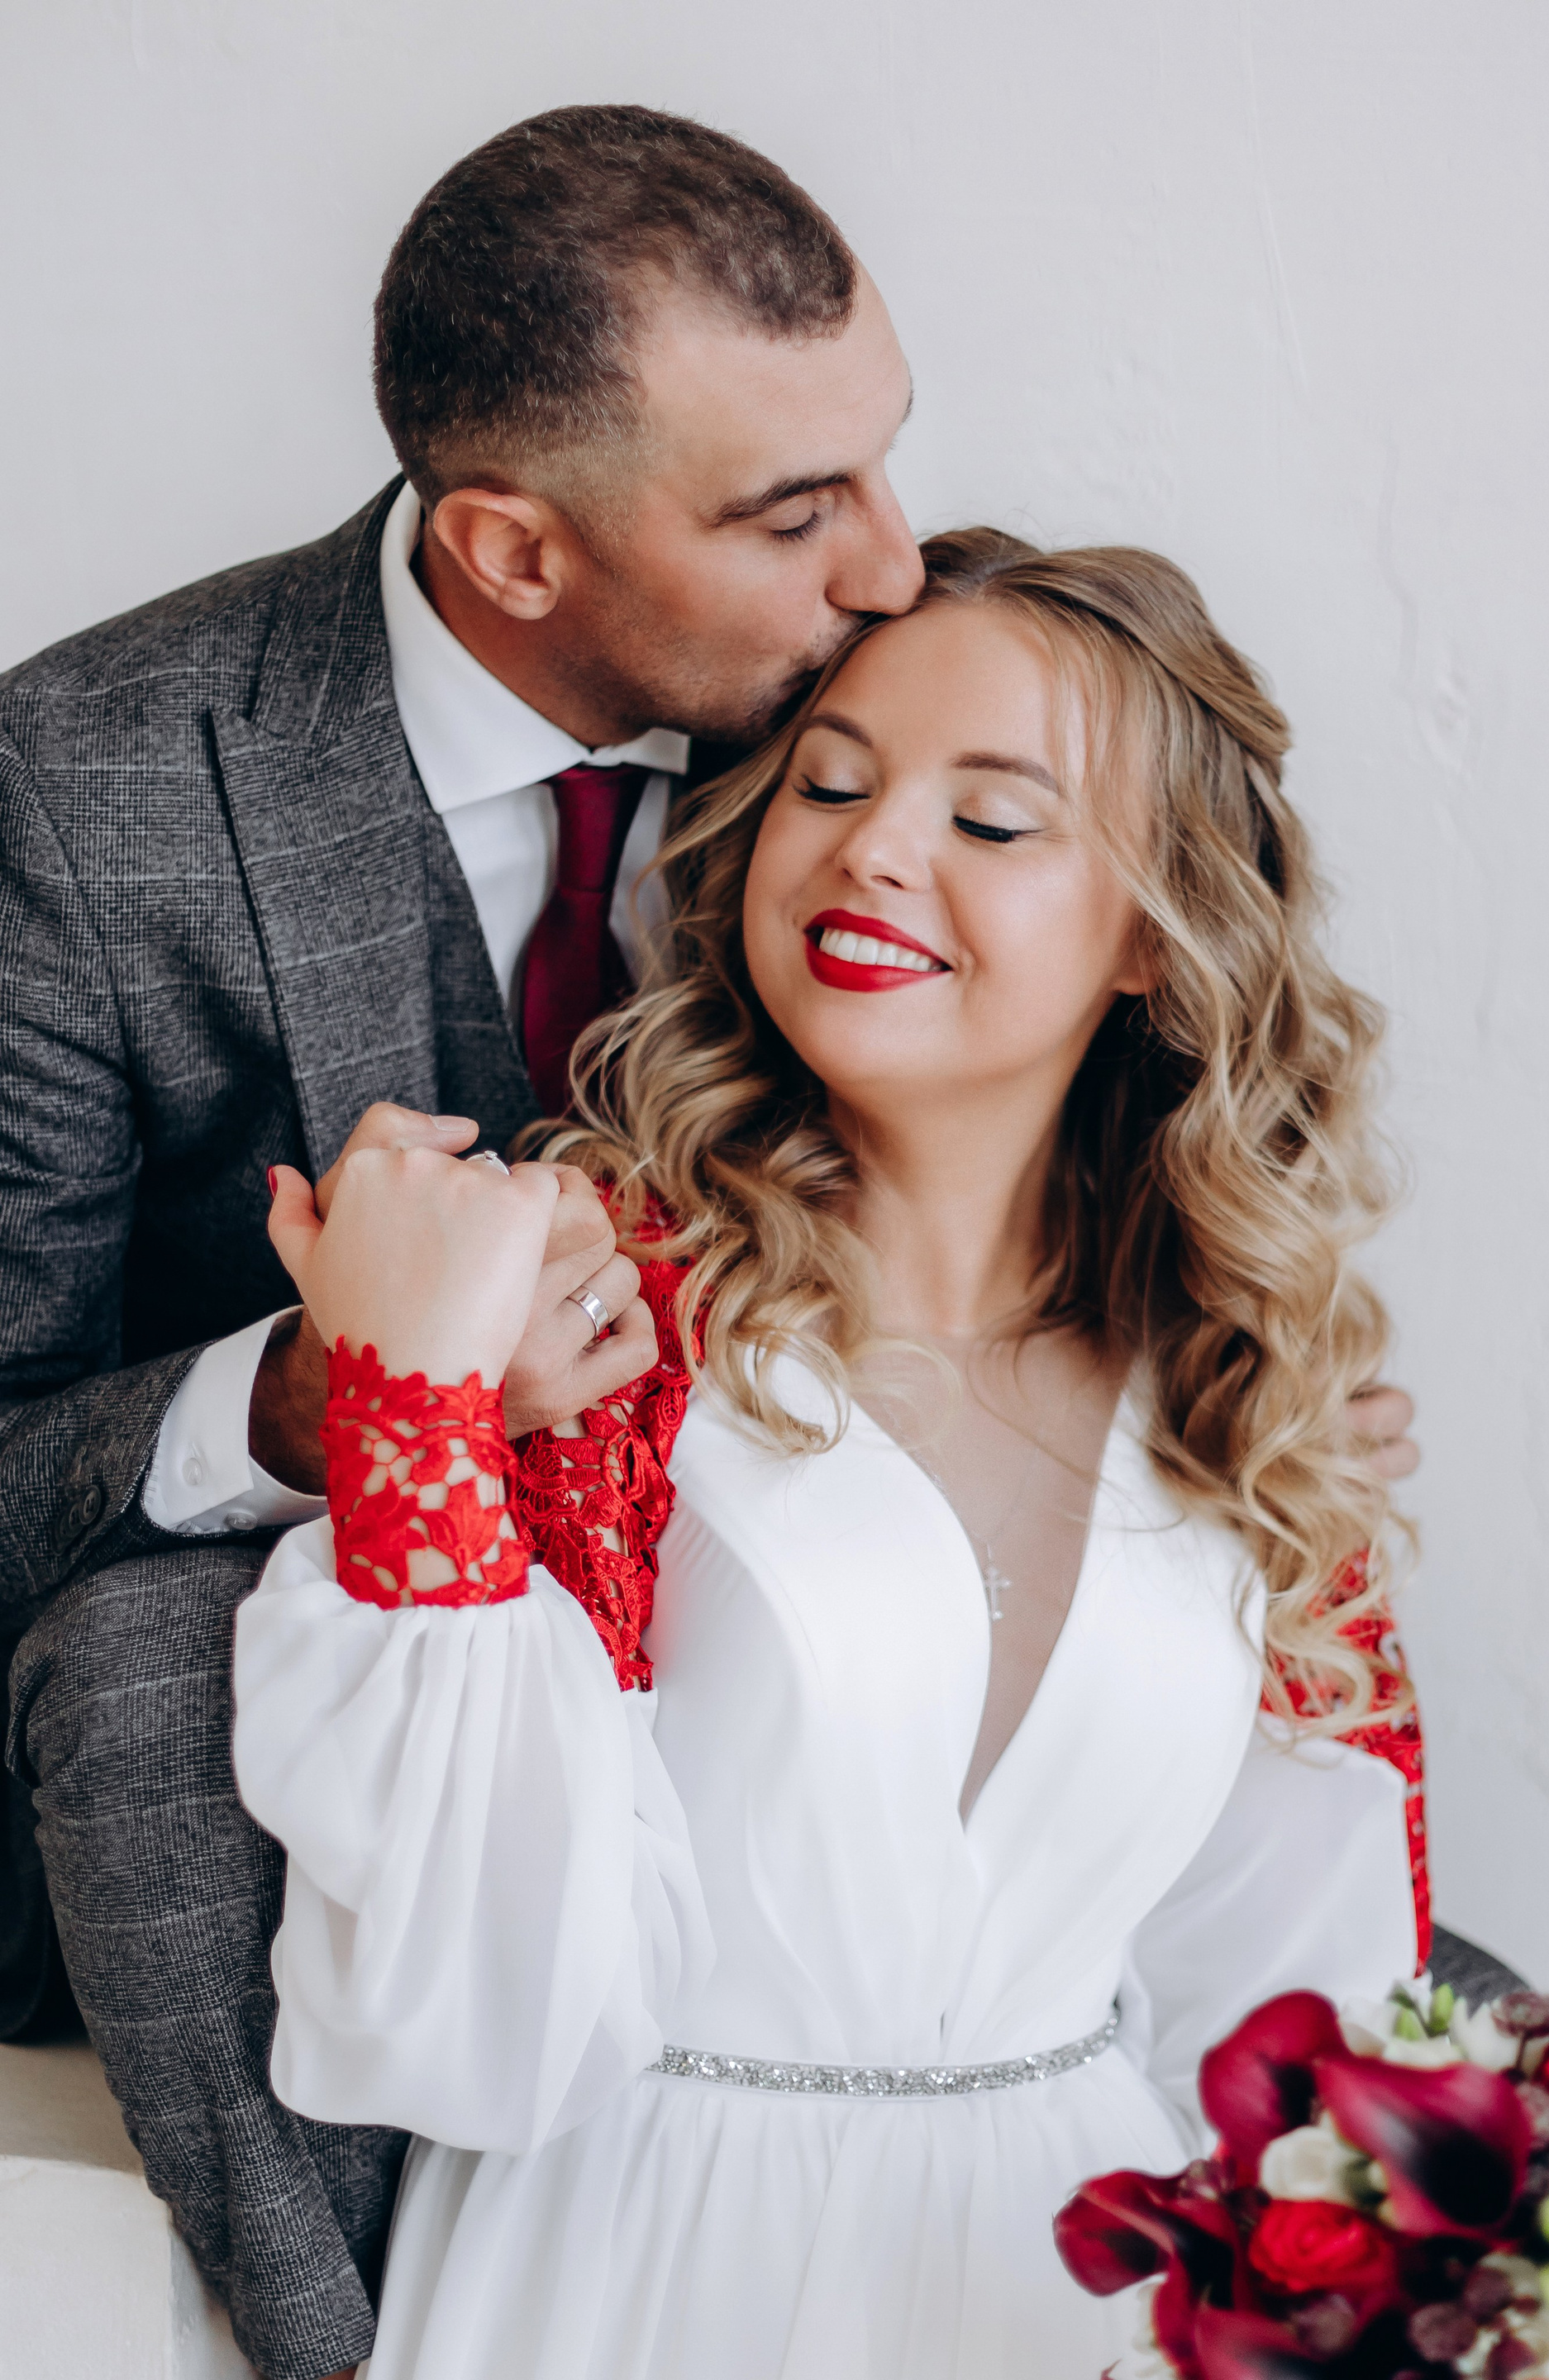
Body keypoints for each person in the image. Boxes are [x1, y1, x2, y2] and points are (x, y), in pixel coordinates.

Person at [237, 530, 1425, 2379]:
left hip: (1085, 2296)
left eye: (993, 817)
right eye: (833, 783)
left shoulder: (1244, 1390)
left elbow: (1297, 2019)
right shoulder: (596, 1317)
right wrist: (414, 1405)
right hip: (638, 2284)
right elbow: (462, 2023)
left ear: (1155, 934)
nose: (873, 850)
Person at [0, 103, 930, 2380]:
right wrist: (321, 1400)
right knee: (134, 1676)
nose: (894, 569)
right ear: (513, 549)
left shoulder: (895, 715)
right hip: (274, 1725)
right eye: (794, 511)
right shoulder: (79, 791)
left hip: (785, 1631)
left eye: (886, 460)